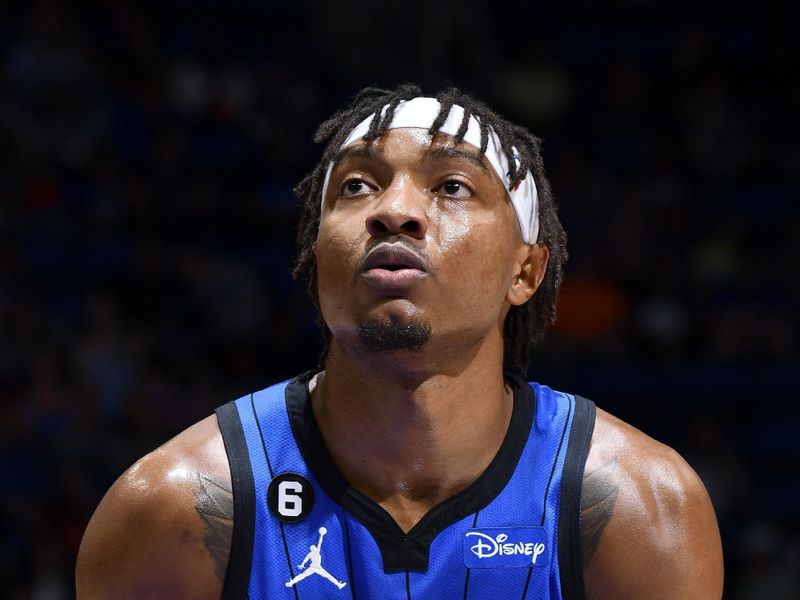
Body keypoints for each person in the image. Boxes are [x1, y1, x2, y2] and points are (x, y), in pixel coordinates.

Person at [76, 85, 724, 599]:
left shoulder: (638, 511)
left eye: (451, 186)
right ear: (315, 255)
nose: (394, 210)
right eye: (356, 185)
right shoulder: (171, 513)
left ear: (525, 272)